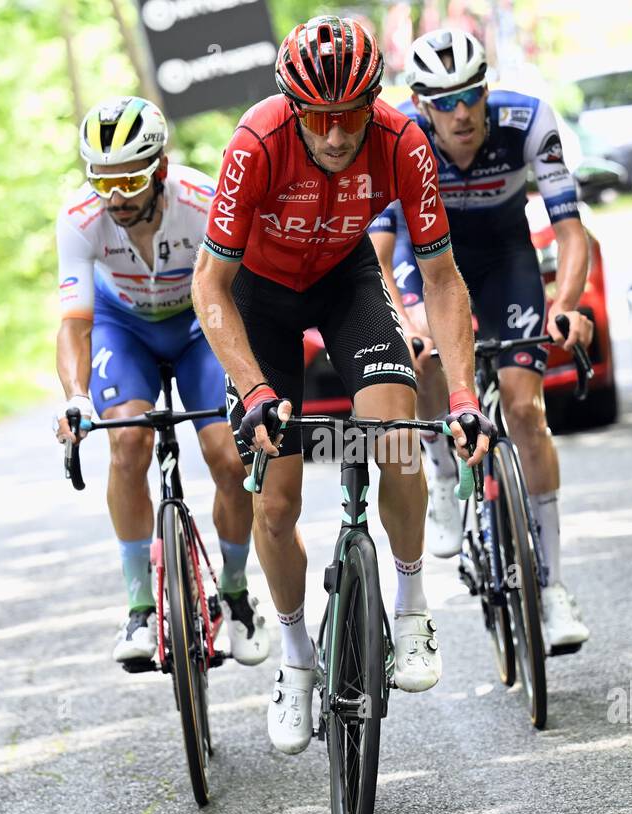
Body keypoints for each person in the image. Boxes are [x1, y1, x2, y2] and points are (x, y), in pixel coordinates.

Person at [190, 16, 495, 755]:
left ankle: (414, 605)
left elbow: (442, 277)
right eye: (319, 118)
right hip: (260, 299)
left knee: (397, 442)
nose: (334, 135)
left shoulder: (402, 141)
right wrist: (255, 389)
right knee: (276, 500)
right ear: (295, 110)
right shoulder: (257, 142)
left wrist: (460, 397)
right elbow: (210, 285)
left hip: (346, 281)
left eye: (350, 116)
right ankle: (296, 660)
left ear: (375, 104)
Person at [368, 27, 593, 653]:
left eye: (470, 95)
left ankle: (549, 587)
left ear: (487, 90)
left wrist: (567, 305)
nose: (461, 112)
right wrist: (407, 325)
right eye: (443, 101)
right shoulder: (399, 140)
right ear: (419, 103)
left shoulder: (526, 121)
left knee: (524, 408)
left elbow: (571, 231)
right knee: (430, 356)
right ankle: (442, 475)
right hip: (429, 263)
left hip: (506, 261)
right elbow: (380, 255)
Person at [53, 97, 270, 666]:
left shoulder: (202, 202)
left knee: (228, 456)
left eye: (130, 178)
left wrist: (254, 383)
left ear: (162, 169)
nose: (116, 195)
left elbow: (240, 296)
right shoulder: (80, 219)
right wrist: (76, 398)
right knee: (127, 442)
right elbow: (74, 325)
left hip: (201, 324)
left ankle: (238, 594)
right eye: (102, 180)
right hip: (123, 328)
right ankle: (139, 609)